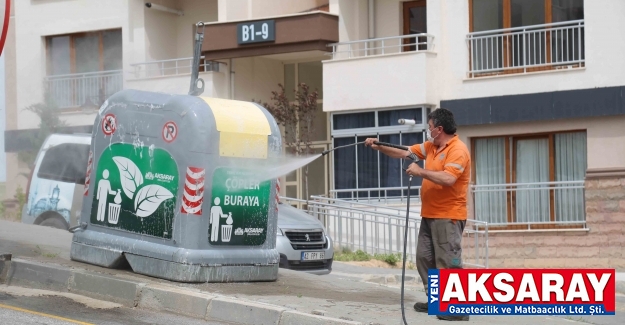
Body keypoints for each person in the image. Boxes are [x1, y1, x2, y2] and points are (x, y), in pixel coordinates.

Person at [365, 108, 470, 322]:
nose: (428, 130)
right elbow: (405, 152)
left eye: (430, 127)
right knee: (424, 258)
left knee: (447, 261)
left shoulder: (458, 149)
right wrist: (379, 146)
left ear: (439, 129)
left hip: (448, 216)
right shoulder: (431, 146)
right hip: (429, 215)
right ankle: (436, 301)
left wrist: (420, 171)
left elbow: (448, 179)